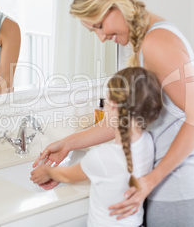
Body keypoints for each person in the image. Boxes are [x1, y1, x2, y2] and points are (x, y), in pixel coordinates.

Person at [33, 0, 194, 226]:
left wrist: (150, 180)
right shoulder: (145, 41)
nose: (101, 37)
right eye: (93, 31)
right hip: (171, 186)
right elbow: (122, 122)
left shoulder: (156, 43)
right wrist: (68, 143)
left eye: (99, 25)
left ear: (117, 5)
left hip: (180, 187)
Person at [31, 67, 162, 227]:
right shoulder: (148, 142)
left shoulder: (102, 156)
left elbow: (67, 175)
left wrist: (46, 171)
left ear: (113, 105)